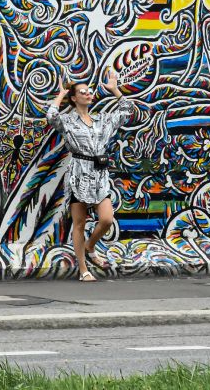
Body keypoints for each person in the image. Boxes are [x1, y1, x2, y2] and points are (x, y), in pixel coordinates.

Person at [47, 71, 137, 282]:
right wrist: (61, 94)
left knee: (106, 219)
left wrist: (115, 90)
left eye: (89, 91)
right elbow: (51, 116)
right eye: (82, 92)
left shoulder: (103, 120)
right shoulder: (68, 121)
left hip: (99, 174)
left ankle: (90, 245)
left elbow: (127, 111)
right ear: (74, 98)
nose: (88, 94)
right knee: (79, 223)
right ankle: (83, 269)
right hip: (79, 173)